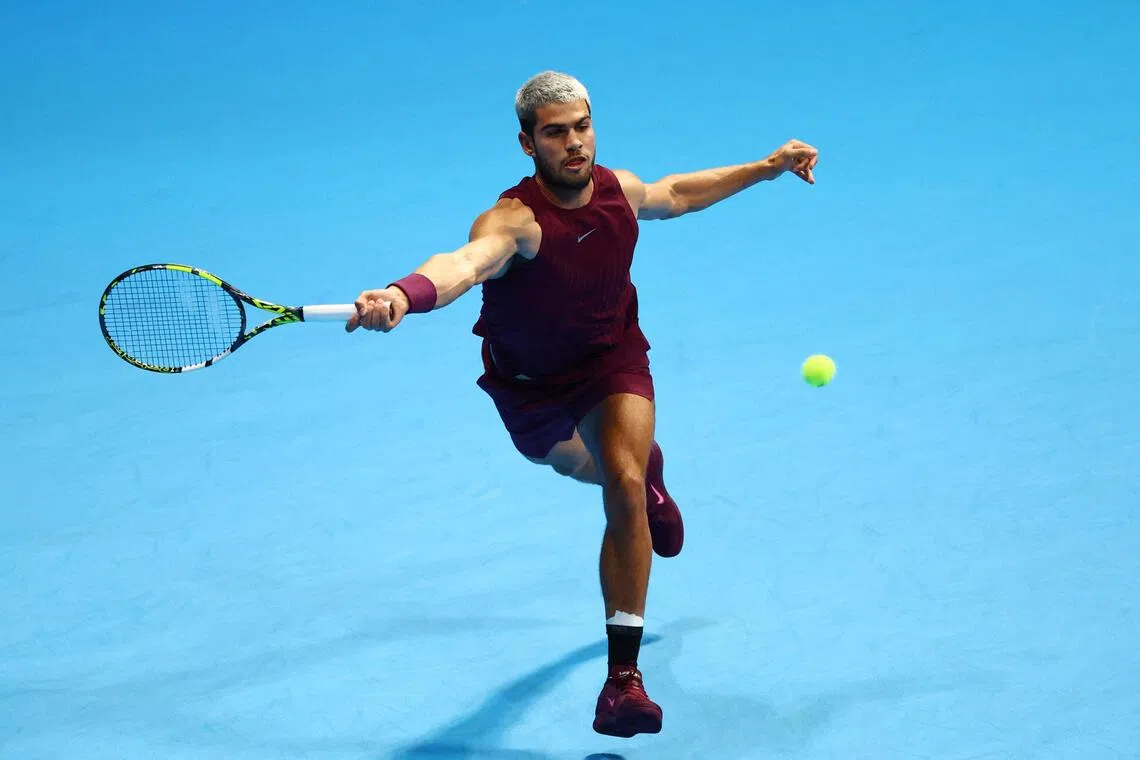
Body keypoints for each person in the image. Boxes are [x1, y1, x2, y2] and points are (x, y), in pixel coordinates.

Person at [347, 71, 818, 738]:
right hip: (531, 384)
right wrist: (401, 294)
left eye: (582, 127)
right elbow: (463, 264)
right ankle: (651, 477)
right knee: (579, 465)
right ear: (527, 143)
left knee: (620, 481)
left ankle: (622, 682)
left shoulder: (616, 191)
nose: (574, 144)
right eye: (555, 133)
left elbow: (676, 193)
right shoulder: (515, 221)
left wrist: (767, 168)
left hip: (611, 358)